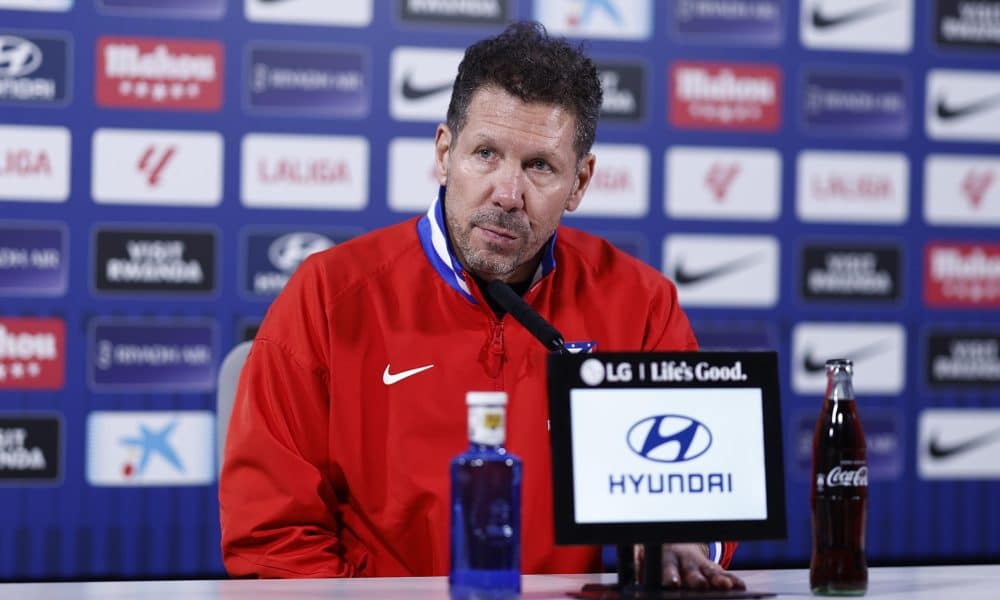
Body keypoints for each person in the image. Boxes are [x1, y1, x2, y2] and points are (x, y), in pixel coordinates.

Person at [219, 21, 744, 590]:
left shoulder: (641, 304)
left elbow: (700, 505)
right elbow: (271, 537)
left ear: (580, 182)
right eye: (485, 154)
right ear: (445, 154)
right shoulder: (328, 296)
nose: (507, 193)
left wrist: (685, 540)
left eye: (540, 166)